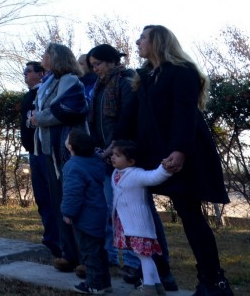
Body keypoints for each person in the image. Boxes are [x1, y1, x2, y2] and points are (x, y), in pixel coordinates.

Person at [117, 24, 232, 296]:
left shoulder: (182, 72)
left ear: (158, 41)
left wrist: (179, 150)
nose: (137, 42)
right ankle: (156, 277)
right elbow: (130, 116)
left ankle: (213, 282)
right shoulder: (145, 76)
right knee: (143, 214)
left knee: (191, 215)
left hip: (183, 154)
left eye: (143, 38)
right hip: (155, 154)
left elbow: (184, 114)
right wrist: (115, 143)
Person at [86, 43, 162, 282]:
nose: (95, 69)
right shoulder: (100, 85)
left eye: (97, 64)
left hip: (124, 155)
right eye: (92, 65)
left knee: (134, 211)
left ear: (111, 61)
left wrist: (115, 146)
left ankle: (139, 262)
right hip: (108, 155)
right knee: (113, 209)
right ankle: (117, 256)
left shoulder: (126, 80)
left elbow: (127, 117)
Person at [28, 42, 86, 271]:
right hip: (46, 151)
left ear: (56, 57)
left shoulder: (70, 80)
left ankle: (85, 258)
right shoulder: (48, 83)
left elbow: (70, 110)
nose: (42, 57)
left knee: (73, 202)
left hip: (65, 151)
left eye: (46, 54)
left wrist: (38, 118)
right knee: (58, 203)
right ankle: (68, 253)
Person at [109, 139, 173, 295]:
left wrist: (165, 169)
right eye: (113, 154)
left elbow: (153, 177)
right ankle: (158, 287)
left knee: (144, 257)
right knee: (143, 256)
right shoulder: (116, 173)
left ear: (131, 161)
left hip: (138, 224)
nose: (113, 157)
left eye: (117, 155)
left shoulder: (136, 174)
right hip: (126, 223)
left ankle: (149, 288)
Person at [61, 129, 111, 294]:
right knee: (99, 249)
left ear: (71, 147)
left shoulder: (73, 166)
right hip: (98, 212)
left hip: (84, 217)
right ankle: (105, 282)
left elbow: (73, 193)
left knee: (89, 252)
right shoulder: (95, 162)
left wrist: (68, 213)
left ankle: (94, 283)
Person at [21, 60, 61, 258]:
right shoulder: (28, 95)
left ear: (41, 73)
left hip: (46, 151)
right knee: (43, 199)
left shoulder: (44, 93)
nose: (25, 74)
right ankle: (50, 239)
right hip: (33, 152)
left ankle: (59, 241)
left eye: (28, 71)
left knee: (53, 198)